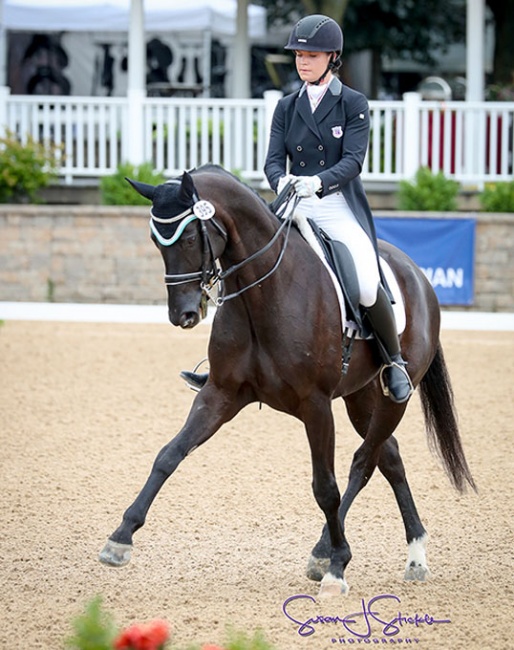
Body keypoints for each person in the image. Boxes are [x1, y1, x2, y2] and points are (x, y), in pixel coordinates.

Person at [181, 14, 413, 404]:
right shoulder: (287, 107)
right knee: (244, 264)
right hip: (293, 203)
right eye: (299, 55)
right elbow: (273, 160)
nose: (303, 61)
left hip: (336, 204)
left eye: (312, 55)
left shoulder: (353, 104)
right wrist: (282, 181)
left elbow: (354, 161)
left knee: (368, 284)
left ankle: (393, 361)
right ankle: (223, 365)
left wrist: (318, 182)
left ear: (332, 57)